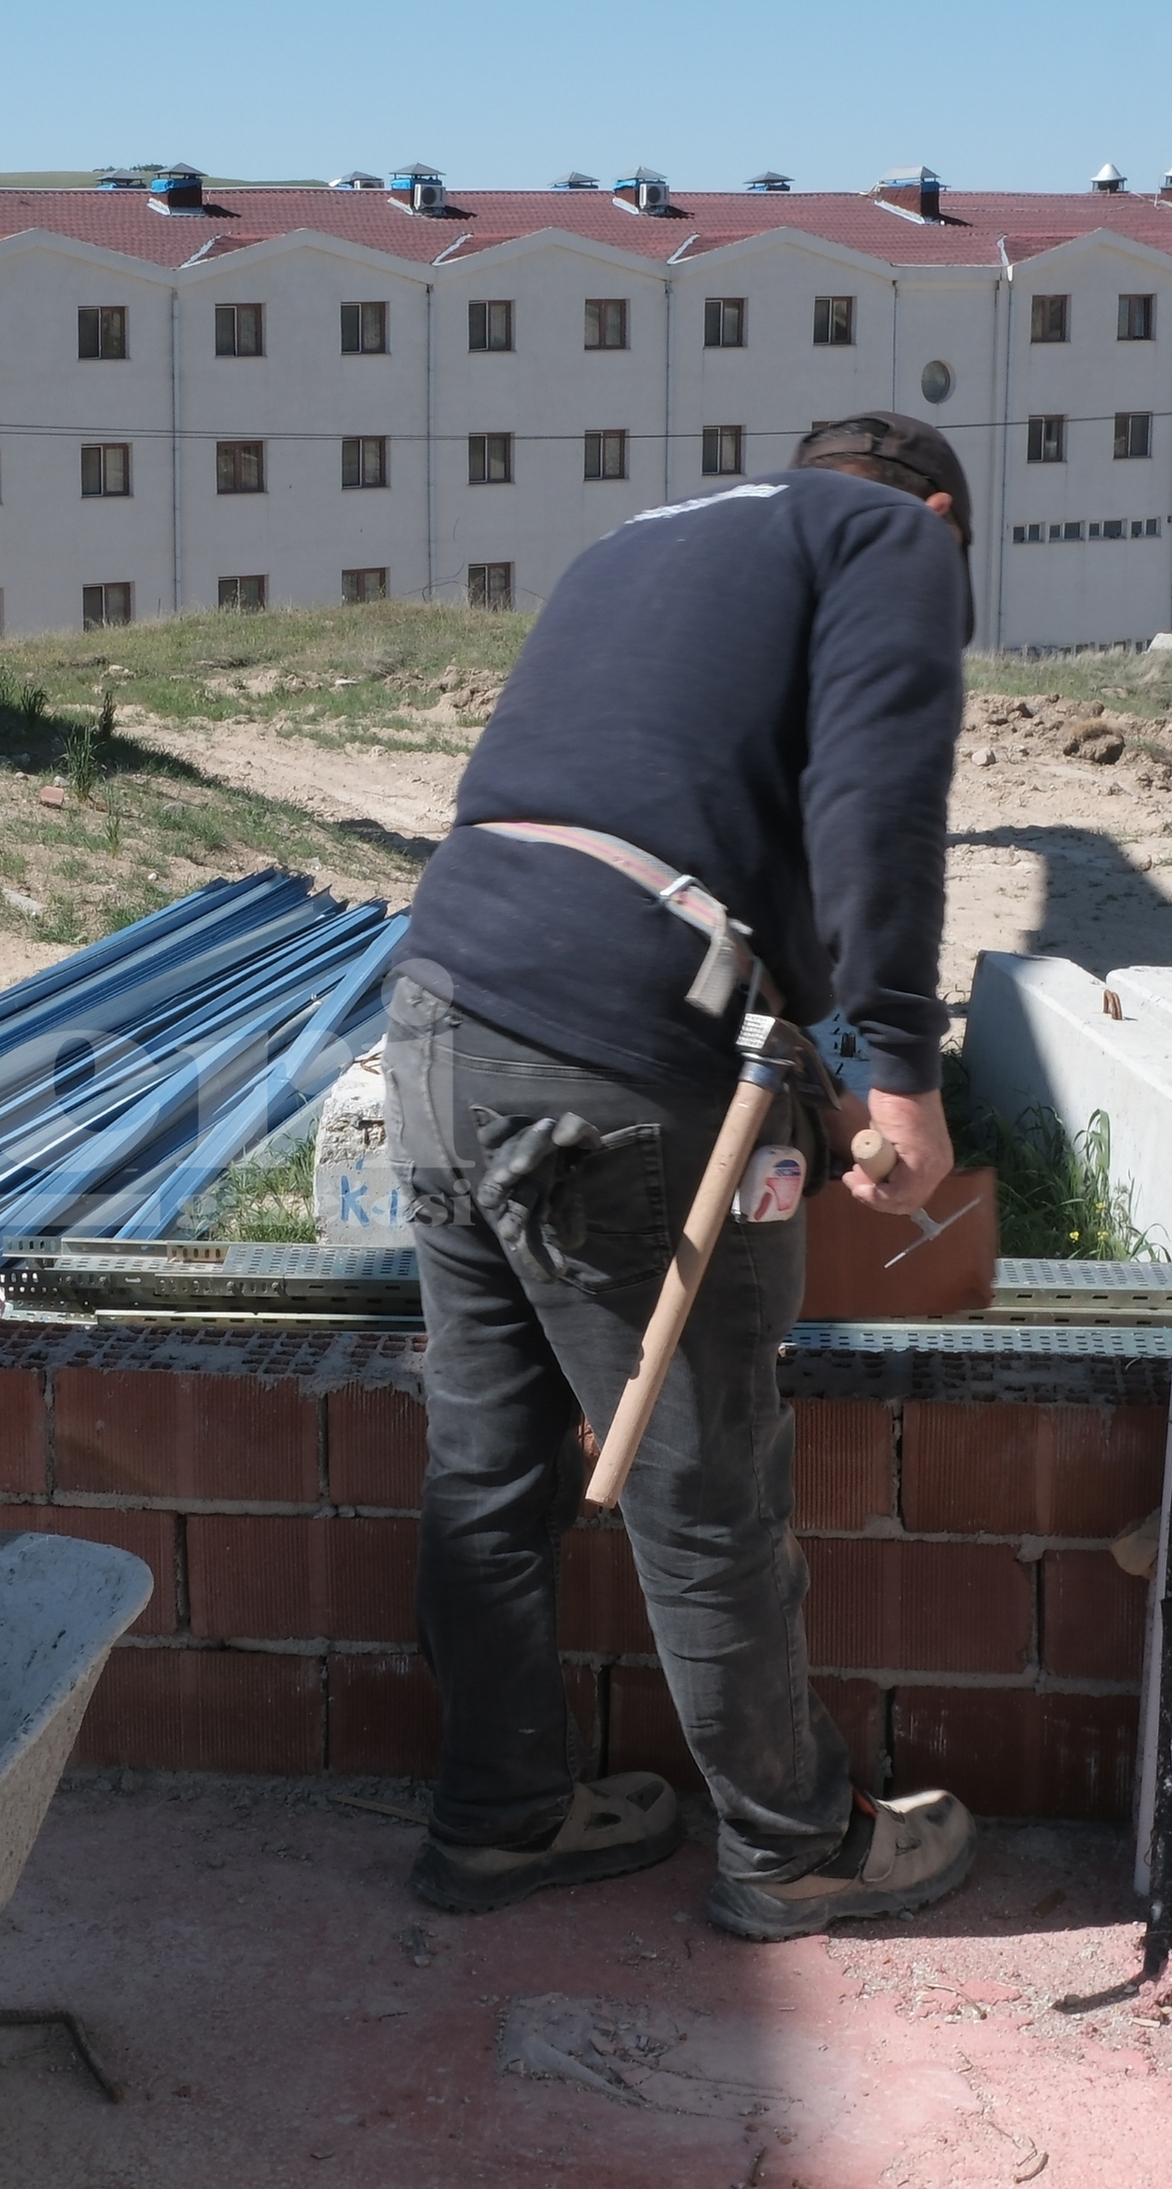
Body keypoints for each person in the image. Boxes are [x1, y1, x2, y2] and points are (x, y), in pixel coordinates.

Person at [384, 412, 987, 1939]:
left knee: (488, 1469)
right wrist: (902, 1072)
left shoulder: (646, 538)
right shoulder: (892, 539)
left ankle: (503, 1819)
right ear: (932, 509)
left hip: (444, 1007)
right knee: (706, 1475)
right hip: (605, 1049)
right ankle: (793, 1847)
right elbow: (876, 801)